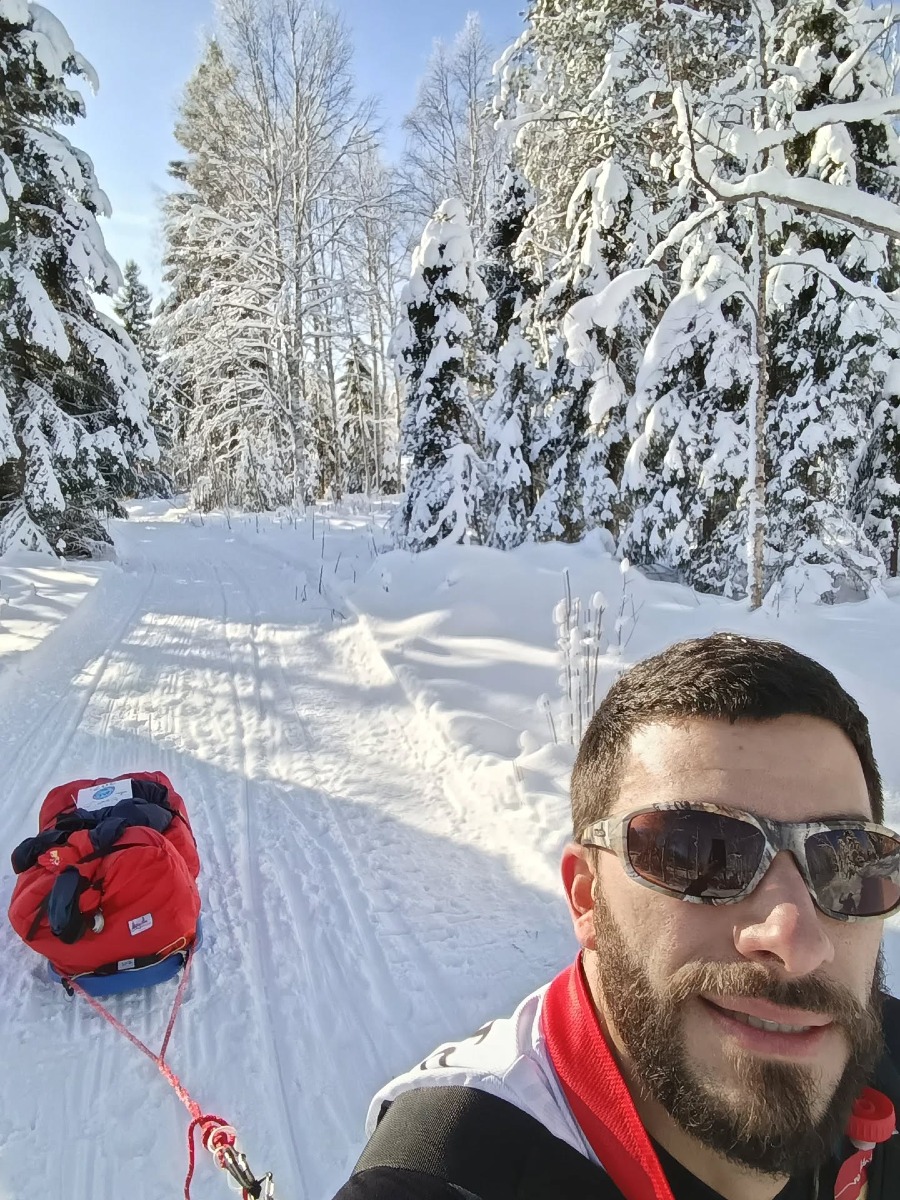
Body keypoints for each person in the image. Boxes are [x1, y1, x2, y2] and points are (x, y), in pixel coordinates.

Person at [332, 634, 900, 1200]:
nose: (795, 940)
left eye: (848, 863)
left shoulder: (885, 1050)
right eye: (696, 855)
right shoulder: (447, 1171)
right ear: (587, 896)